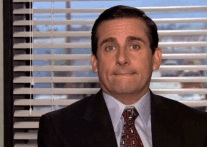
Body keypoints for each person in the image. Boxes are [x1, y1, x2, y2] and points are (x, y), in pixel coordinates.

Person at [38, 5, 207, 147]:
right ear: (95, 62)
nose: (121, 59)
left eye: (134, 46)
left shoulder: (198, 128)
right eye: (110, 48)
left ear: (155, 59)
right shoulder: (58, 130)